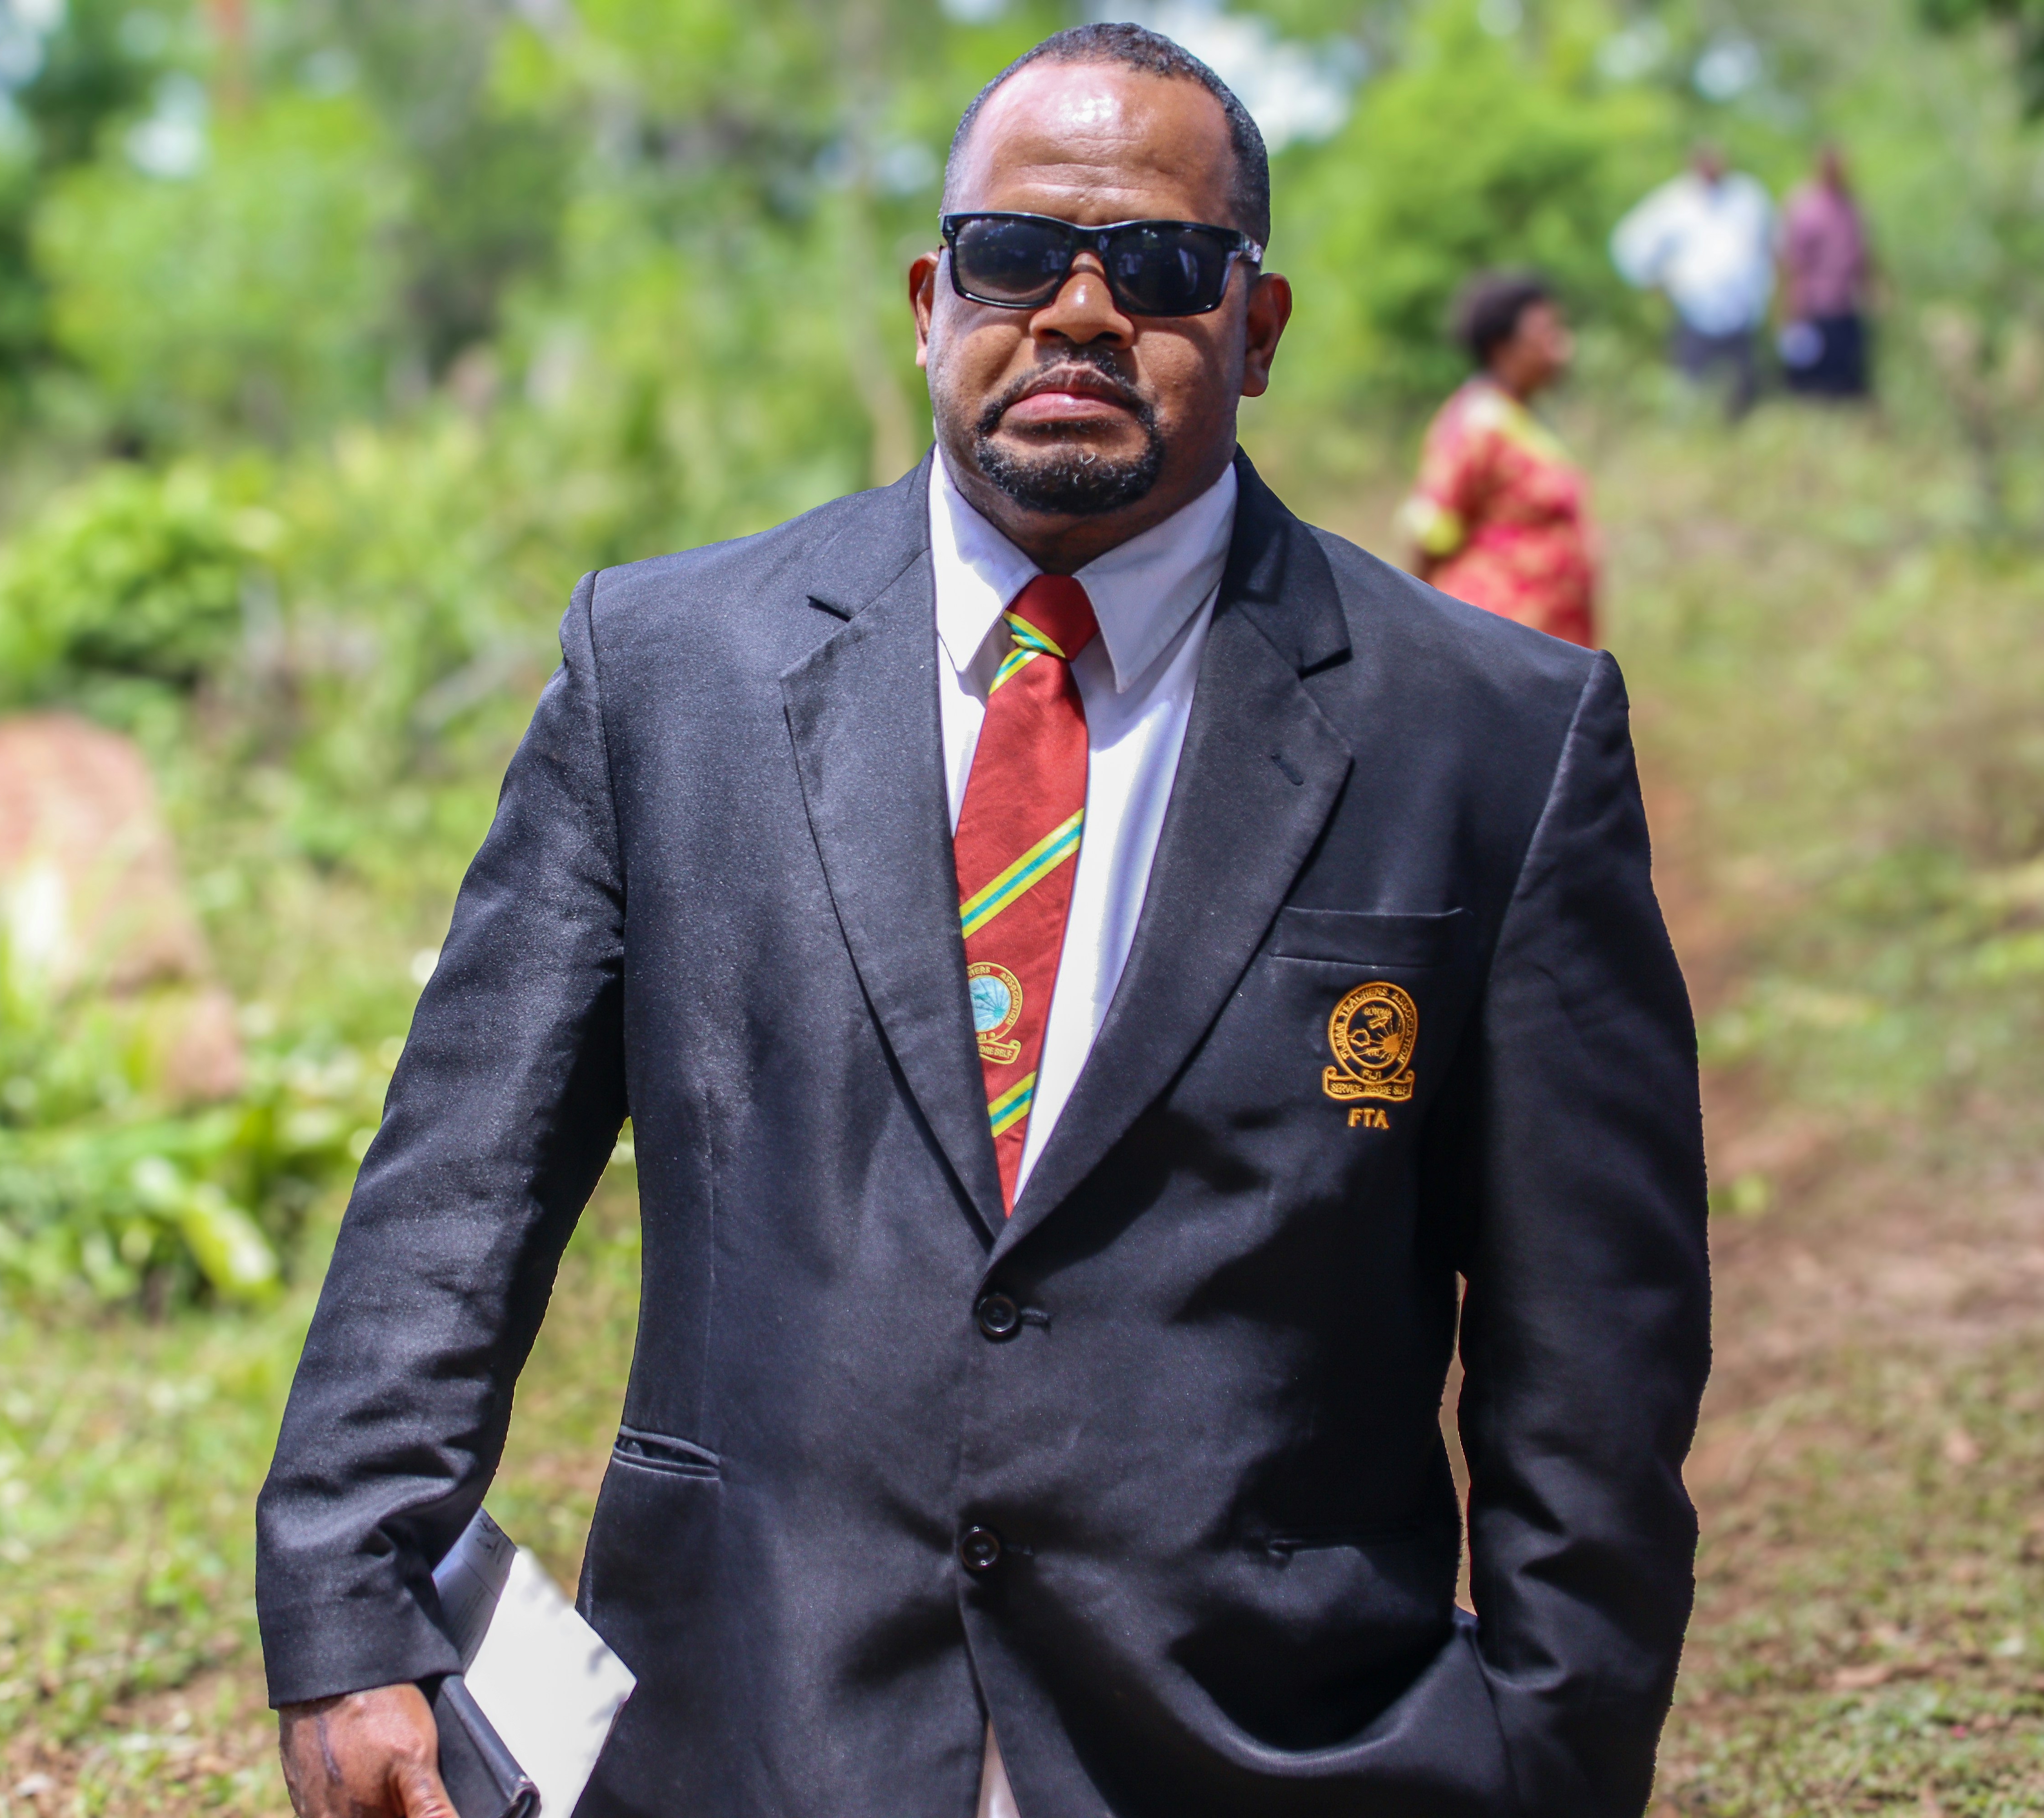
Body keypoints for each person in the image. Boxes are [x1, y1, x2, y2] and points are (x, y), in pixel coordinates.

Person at [257, 23, 1708, 1818]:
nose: (1079, 311)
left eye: (1159, 266)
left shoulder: (1488, 733)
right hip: (752, 1727)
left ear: (1256, 330)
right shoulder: (669, 676)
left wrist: (1551, 1758)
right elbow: (457, 1187)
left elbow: (1598, 1348)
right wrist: (347, 1602)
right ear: (931, 302)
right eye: (1017, 255)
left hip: (1269, 1747)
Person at [1399, 272, 1597, 648]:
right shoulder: (1476, 423)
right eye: (1546, 333)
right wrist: (1413, 634)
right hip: (1496, 649)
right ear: (1502, 348)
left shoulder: (1523, 419)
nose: (1562, 345)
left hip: (1543, 649)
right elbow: (1432, 531)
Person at [1612, 144, 1775, 417]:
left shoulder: (1748, 196)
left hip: (1742, 316)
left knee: (1743, 395)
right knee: (1692, 394)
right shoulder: (1674, 202)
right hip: (1695, 314)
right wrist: (1656, 284)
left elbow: (1772, 246)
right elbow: (1630, 244)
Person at [1777, 145, 1873, 398]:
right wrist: (1792, 311)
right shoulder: (1803, 206)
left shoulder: (1852, 206)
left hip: (1847, 305)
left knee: (1847, 384)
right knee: (1812, 386)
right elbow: (1792, 264)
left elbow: (1863, 256)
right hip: (1814, 307)